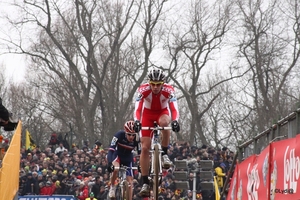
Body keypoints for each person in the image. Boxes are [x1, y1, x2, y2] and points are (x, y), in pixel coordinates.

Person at [133, 68, 180, 197]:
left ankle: (164, 152)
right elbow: (137, 107)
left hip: (162, 113)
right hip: (147, 116)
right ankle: (145, 182)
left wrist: (175, 121)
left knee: (165, 124)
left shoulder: (169, 90)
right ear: (149, 83)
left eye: (158, 84)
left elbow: (174, 108)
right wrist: (137, 121)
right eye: (152, 84)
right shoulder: (143, 89)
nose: (155, 87)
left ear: (162, 83)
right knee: (144, 148)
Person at [107, 120, 141, 199]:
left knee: (130, 182)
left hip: (128, 158)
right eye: (129, 134)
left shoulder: (137, 139)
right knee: (116, 168)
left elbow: (141, 154)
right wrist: (109, 163)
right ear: (125, 132)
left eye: (133, 135)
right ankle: (112, 187)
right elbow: (111, 149)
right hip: (118, 155)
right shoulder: (119, 135)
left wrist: (140, 166)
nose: (131, 137)